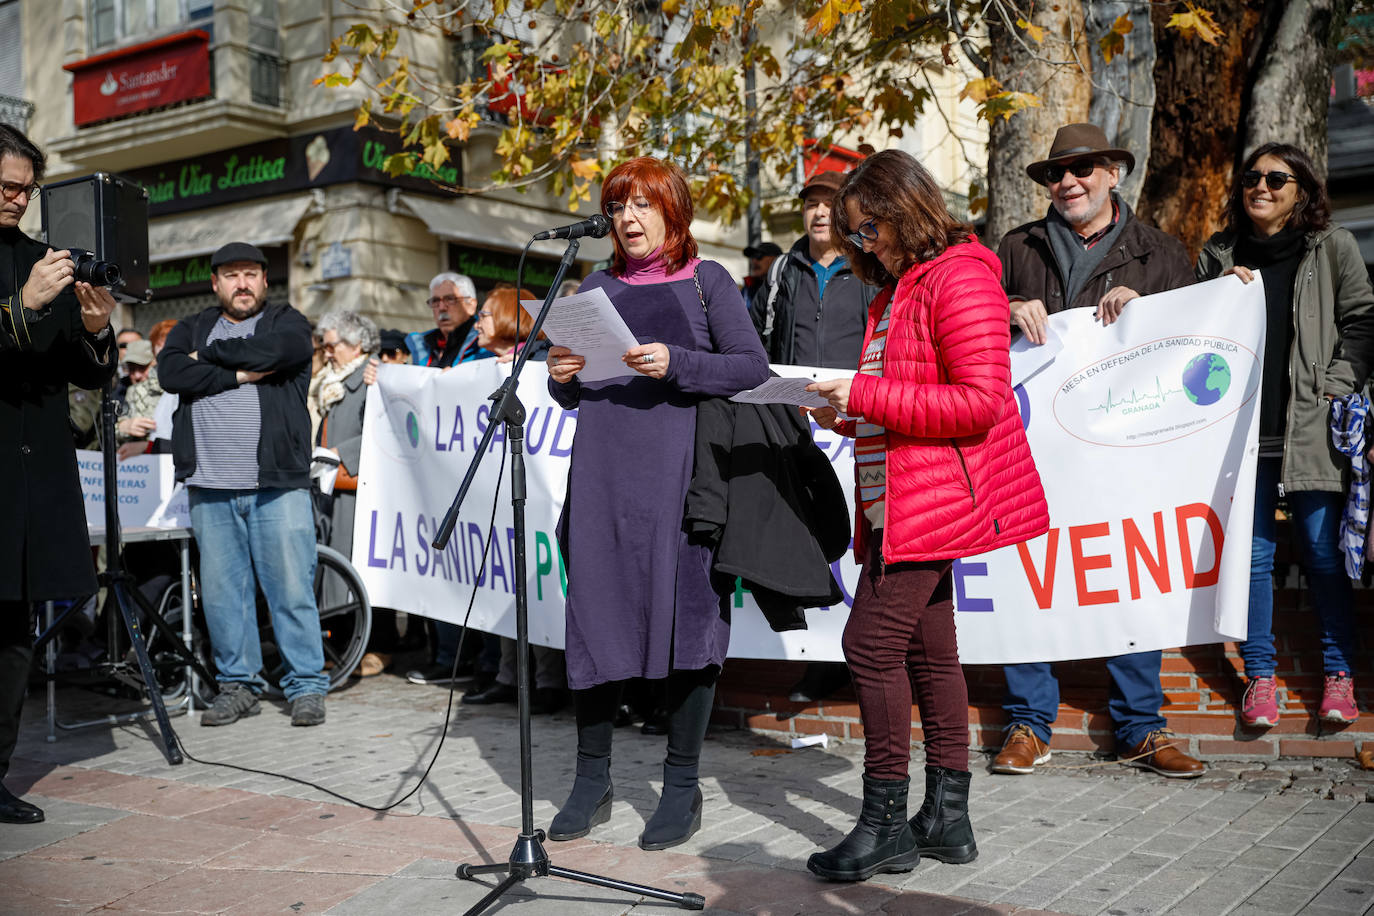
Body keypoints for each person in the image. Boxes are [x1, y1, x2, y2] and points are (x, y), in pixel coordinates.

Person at [799, 150, 1049, 882]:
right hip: (897, 497)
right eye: (855, 232)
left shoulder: (960, 276)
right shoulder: (897, 288)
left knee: (869, 646)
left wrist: (863, 395)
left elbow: (980, 402)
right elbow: (905, 397)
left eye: (868, 226)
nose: (863, 242)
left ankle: (885, 826)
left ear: (904, 209)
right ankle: (945, 821)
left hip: (931, 501)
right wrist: (845, 414)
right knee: (929, 652)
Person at [544, 155, 769, 851]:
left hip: (681, 478)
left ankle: (680, 787)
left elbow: (751, 367)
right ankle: (591, 782)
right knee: (595, 622)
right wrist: (561, 376)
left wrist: (678, 362)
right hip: (602, 479)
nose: (627, 218)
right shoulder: (595, 286)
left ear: (673, 211)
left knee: (688, 627)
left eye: (642, 204)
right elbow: (573, 392)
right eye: (617, 207)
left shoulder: (707, 280)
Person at [993, 122, 1204, 780]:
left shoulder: (1160, 253)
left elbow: (1195, 341)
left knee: (1127, 578)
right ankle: (1028, 723)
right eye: (1057, 172)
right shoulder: (1016, 247)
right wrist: (1008, 307)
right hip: (1034, 448)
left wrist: (1151, 309)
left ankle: (1139, 726)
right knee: (1027, 575)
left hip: (1123, 455)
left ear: (1114, 174)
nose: (1068, 182)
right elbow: (969, 318)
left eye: (1083, 169)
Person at [1196, 142, 1374, 728]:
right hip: (1241, 437)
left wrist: (1336, 384)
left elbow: (1363, 319)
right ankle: (1260, 678)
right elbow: (1191, 335)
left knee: (1322, 556)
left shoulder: (1331, 246)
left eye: (1277, 178)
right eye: (1252, 176)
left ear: (1301, 191)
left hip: (1311, 429)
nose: (1261, 187)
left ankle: (1339, 676)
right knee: (1250, 560)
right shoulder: (1219, 253)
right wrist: (1216, 292)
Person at [159, 241, 330, 727]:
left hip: (277, 484)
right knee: (222, 597)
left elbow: (284, 351)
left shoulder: (285, 321)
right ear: (215, 283)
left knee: (291, 590)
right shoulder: (190, 326)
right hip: (209, 486)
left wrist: (208, 358)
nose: (242, 283)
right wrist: (239, 373)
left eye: (251, 274)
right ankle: (239, 686)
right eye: (231, 275)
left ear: (264, 280)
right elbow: (172, 372)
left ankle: (306, 685)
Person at [0, 123, 119, 824]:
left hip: (32, 474)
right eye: (6, 186)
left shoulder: (42, 260)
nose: (18, 199)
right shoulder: (35, 278)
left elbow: (87, 372)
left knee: (14, 638)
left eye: (27, 189)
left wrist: (97, 328)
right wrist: (24, 306)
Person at [753, 169, 878, 705]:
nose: (819, 212)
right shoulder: (782, 270)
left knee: (855, 536)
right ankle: (818, 658)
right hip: (798, 424)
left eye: (829, 204)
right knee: (810, 535)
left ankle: (857, 656)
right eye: (811, 204)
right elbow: (754, 340)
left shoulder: (867, 266)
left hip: (857, 423)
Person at [312, 310, 383, 673]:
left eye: (331, 346)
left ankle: (377, 646)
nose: (326, 353)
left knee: (362, 567)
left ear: (356, 345)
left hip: (359, 488)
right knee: (336, 569)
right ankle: (342, 646)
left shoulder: (372, 376)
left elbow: (381, 428)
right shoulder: (332, 381)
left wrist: (342, 453)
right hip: (332, 487)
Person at [417, 272, 479, 369]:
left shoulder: (487, 344)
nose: (442, 308)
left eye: (450, 299)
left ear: (471, 305)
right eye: (436, 300)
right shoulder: (421, 344)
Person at [740, 240, 781, 313]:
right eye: (752, 257)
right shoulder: (748, 289)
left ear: (776, 259)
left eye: (759, 256)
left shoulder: (787, 286)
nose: (754, 261)